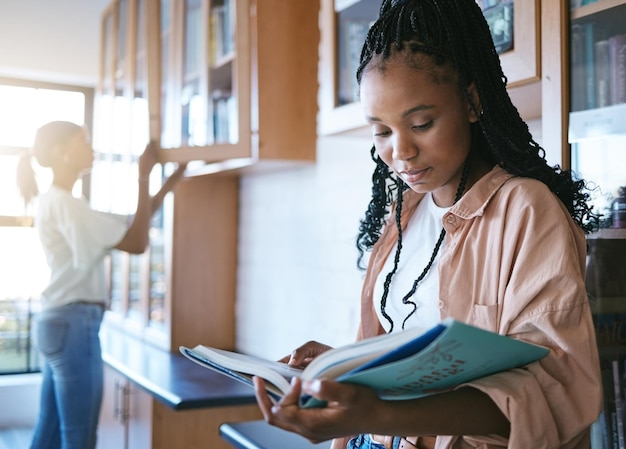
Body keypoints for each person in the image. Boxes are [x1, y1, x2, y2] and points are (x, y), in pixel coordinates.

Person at [252, 1, 602, 448]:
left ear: (472, 102)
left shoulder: (525, 209)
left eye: (421, 123)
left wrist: (382, 411)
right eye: (381, 131)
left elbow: (553, 389)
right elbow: (413, 354)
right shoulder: (404, 212)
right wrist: (344, 367)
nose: (401, 152)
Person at [16, 120, 186, 449]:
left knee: (49, 431)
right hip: (73, 325)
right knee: (79, 438)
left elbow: (132, 223)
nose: (91, 147)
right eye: (84, 140)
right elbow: (136, 242)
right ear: (61, 152)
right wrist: (142, 175)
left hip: (57, 321)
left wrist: (169, 182)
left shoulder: (58, 202)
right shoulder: (68, 205)